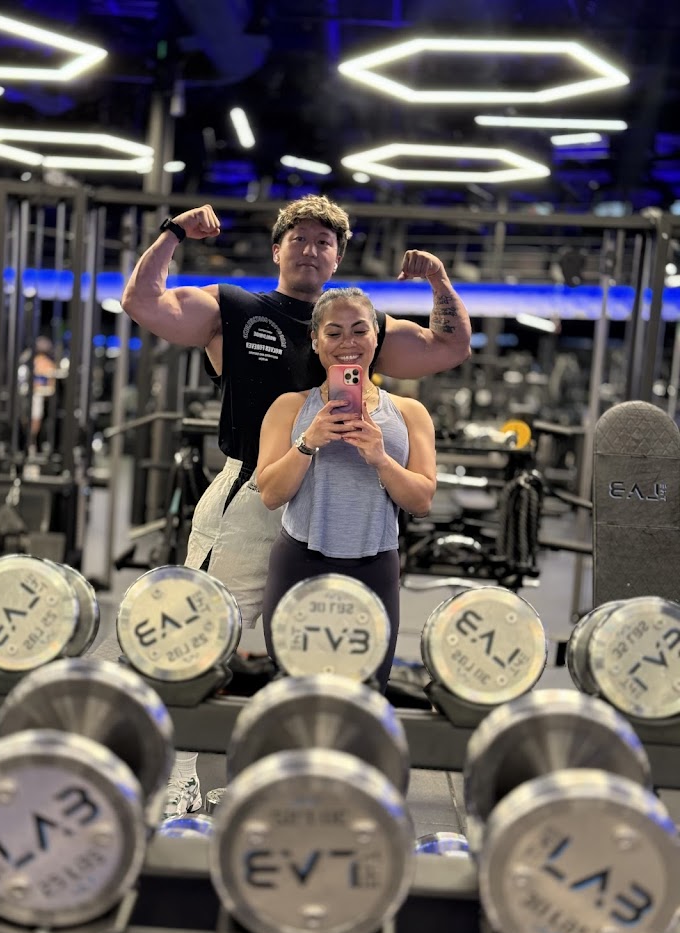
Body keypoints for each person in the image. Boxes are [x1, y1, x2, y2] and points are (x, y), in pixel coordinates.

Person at [121, 195, 470, 812]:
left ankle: (313, 784)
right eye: (299, 239)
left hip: (340, 504)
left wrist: (440, 281)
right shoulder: (234, 307)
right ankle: (187, 783)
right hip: (255, 492)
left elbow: (448, 346)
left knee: (326, 654)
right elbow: (143, 303)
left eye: (323, 242)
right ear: (277, 249)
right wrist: (173, 232)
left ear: (338, 257)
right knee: (208, 638)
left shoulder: (360, 323)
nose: (311, 250)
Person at [257, 287, 437, 690]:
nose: (347, 343)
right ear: (315, 340)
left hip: (374, 567)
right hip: (300, 563)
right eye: (334, 333)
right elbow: (271, 495)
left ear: (376, 335)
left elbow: (422, 501)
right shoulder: (289, 407)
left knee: (365, 697)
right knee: (293, 692)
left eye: (359, 330)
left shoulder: (410, 413)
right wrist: (308, 441)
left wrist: (381, 458)